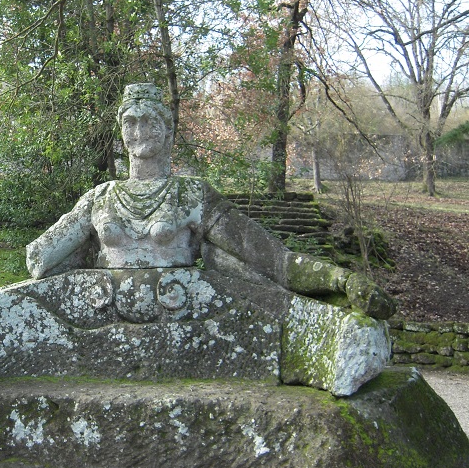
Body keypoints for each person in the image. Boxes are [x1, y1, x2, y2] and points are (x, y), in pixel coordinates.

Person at [26, 83, 395, 320]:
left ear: (168, 130)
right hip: (103, 317)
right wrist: (78, 250)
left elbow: (270, 257)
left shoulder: (191, 194)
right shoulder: (101, 197)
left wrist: (340, 279)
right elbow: (40, 257)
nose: (139, 132)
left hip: (184, 322)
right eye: (130, 123)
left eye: (150, 122)